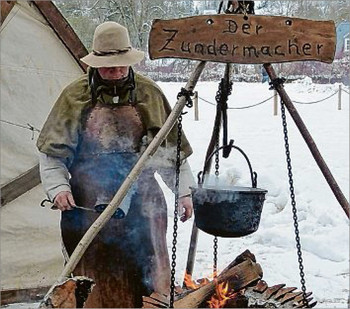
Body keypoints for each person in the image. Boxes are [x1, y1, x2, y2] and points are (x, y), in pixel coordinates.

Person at [37, 21, 195, 308]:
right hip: (87, 207)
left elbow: (172, 155)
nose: (117, 72)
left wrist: (184, 193)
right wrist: (59, 187)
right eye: (109, 66)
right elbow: (52, 155)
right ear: (96, 64)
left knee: (148, 275)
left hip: (144, 207)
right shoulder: (75, 97)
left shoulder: (148, 94)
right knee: (91, 279)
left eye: (121, 65)